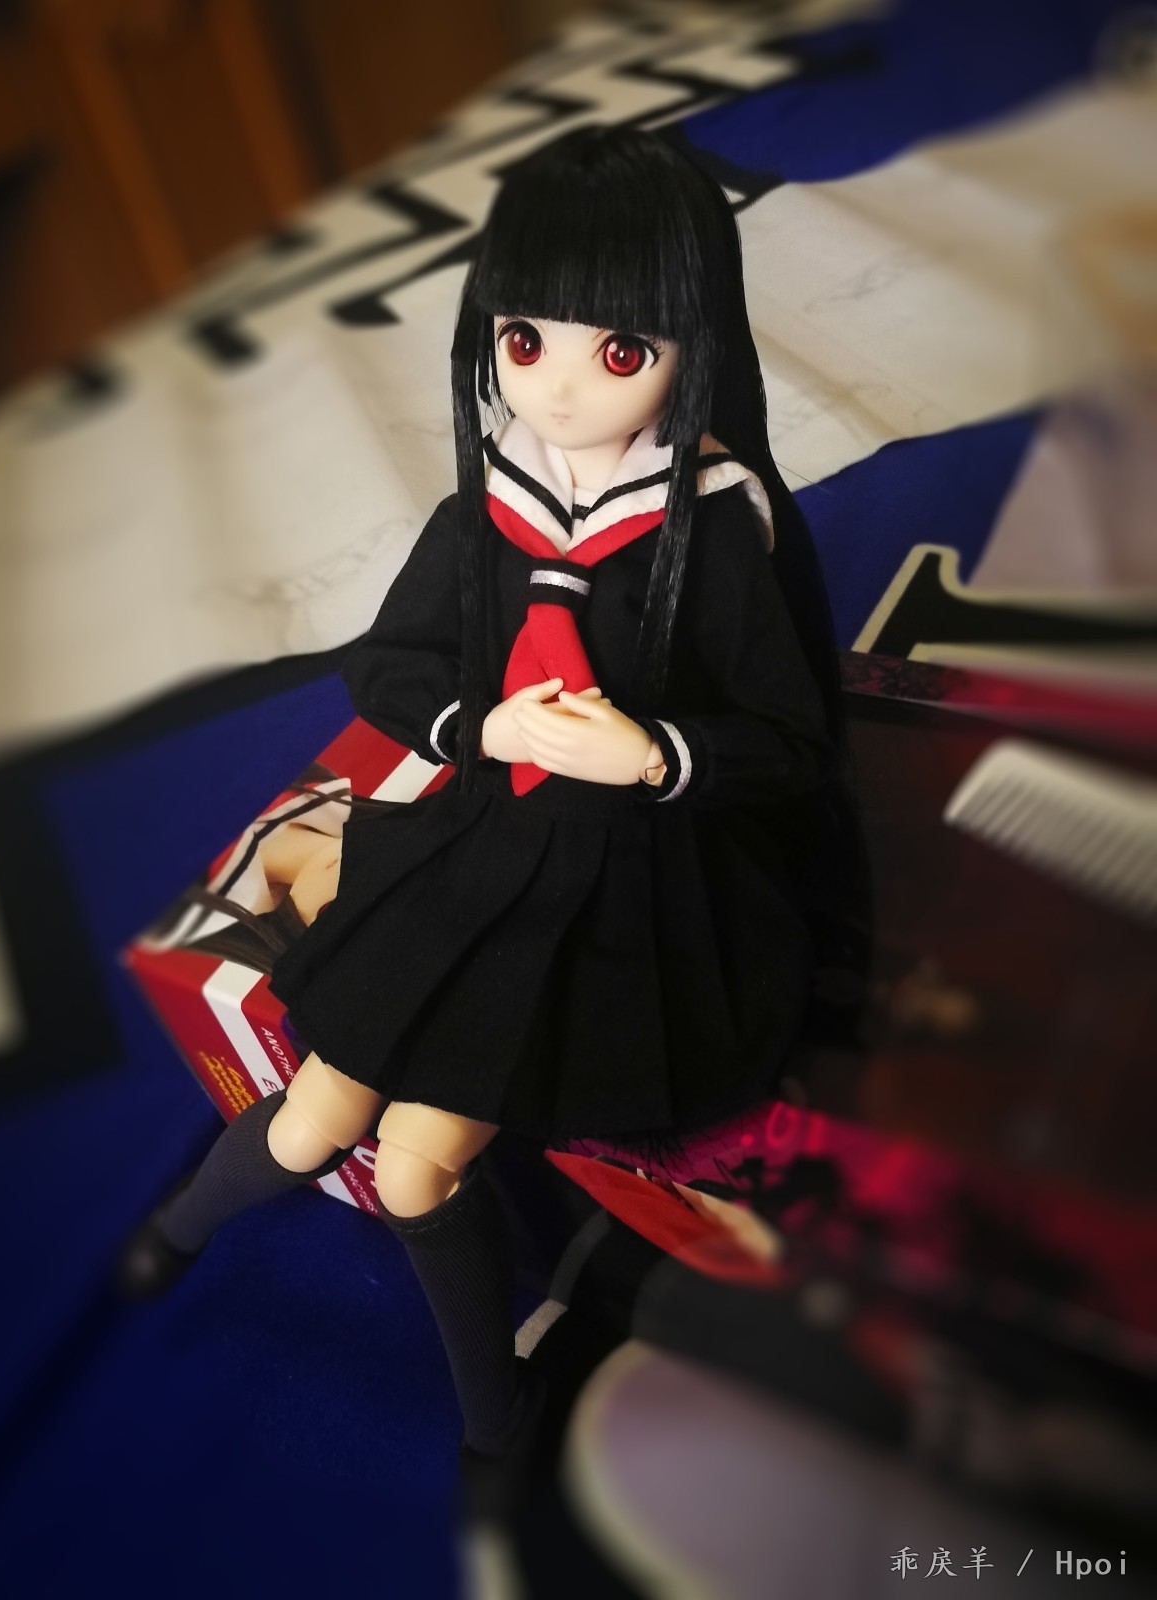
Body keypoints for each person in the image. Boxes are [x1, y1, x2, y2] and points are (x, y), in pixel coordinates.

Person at [121, 125, 847, 1466]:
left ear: (691, 341)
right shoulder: (487, 511)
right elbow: (388, 664)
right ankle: (179, 1228)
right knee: (318, 1113)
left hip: (623, 886)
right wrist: (481, 721)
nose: (559, 388)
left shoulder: (715, 526)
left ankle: (493, 1418)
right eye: (524, 341)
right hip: (479, 839)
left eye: (617, 352)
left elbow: (790, 742)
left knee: (413, 1165)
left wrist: (654, 755)